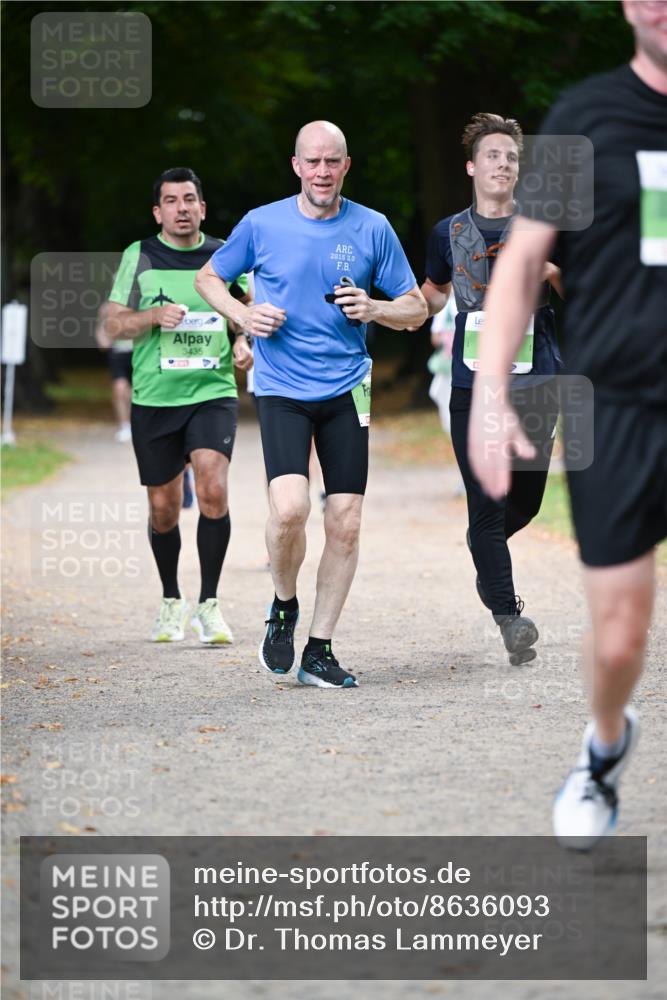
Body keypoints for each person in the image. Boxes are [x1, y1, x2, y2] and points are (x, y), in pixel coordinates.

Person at [468, 0, 667, 848]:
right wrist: (487, 397)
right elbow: (518, 264)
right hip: (614, 402)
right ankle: (602, 748)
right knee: (619, 635)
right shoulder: (586, 117)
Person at [195, 121, 427, 688]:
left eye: (333, 162)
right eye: (312, 162)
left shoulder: (373, 227)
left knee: (345, 522)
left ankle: (319, 650)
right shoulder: (261, 223)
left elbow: (417, 307)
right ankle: (283, 604)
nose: (322, 172)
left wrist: (374, 309)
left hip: (348, 388)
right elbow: (208, 278)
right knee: (291, 509)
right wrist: (243, 316)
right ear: (296, 166)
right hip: (281, 389)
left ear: (346, 166)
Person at [420, 113, 563, 666]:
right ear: (472, 166)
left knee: (523, 501)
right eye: (492, 155)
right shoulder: (448, 233)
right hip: (473, 384)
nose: (502, 163)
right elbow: (431, 295)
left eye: (511, 156)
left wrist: (551, 271)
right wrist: (387, 308)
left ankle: (487, 552)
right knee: (486, 501)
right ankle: (509, 615)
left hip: (537, 382)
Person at [103, 167, 253, 644]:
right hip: (154, 399)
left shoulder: (225, 255)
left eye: (190, 199)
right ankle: (172, 599)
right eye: (172, 201)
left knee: (212, 488)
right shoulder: (140, 255)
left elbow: (249, 310)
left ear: (202, 208)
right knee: (164, 508)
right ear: (158, 211)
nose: (182, 208)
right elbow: (111, 324)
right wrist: (152, 316)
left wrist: (244, 341)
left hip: (212, 394)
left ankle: (209, 604)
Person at [94, 302, 133, 443]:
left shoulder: (143, 302)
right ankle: (124, 426)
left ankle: (135, 425)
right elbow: (103, 343)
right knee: (119, 389)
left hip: (138, 354)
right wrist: (102, 322)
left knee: (134, 393)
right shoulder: (107, 308)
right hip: (118, 354)